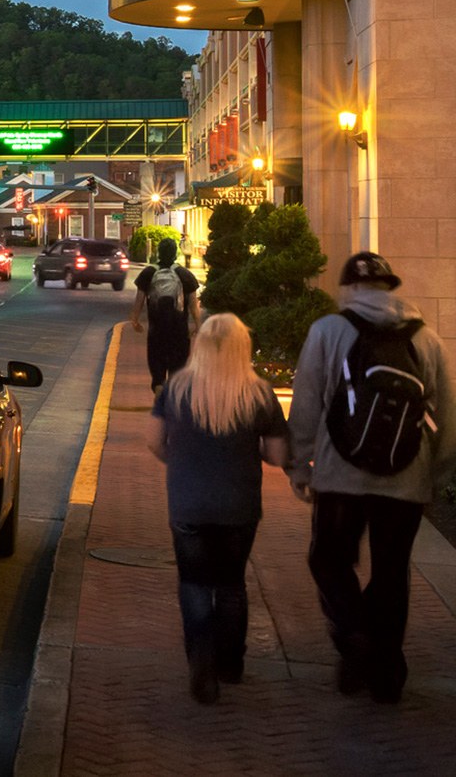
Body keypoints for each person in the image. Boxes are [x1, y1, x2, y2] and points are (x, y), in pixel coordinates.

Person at [286, 251, 453, 704]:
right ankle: (386, 673)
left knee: (329, 560)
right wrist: (434, 475)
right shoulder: (428, 340)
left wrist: (300, 465)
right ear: (390, 289)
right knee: (392, 572)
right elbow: (447, 417)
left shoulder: (327, 331)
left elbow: (305, 405)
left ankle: (355, 636)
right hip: (406, 480)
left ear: (347, 289)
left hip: (341, 477)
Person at [144, 312, 289, 702]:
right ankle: (230, 663)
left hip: (188, 504)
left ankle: (202, 662)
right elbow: (276, 455)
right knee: (230, 585)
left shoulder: (175, 390)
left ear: (200, 345)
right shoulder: (259, 394)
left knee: (193, 584)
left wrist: (182, 461)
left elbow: (155, 442)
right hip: (239, 507)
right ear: (245, 348)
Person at [133, 238, 199, 394]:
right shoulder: (185, 274)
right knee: (178, 367)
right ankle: (172, 398)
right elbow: (193, 304)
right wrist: (197, 324)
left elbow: (139, 300)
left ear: (158, 252)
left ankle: (159, 388)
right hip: (179, 331)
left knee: (157, 364)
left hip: (156, 330)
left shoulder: (148, 273)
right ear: (176, 253)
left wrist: (134, 319)